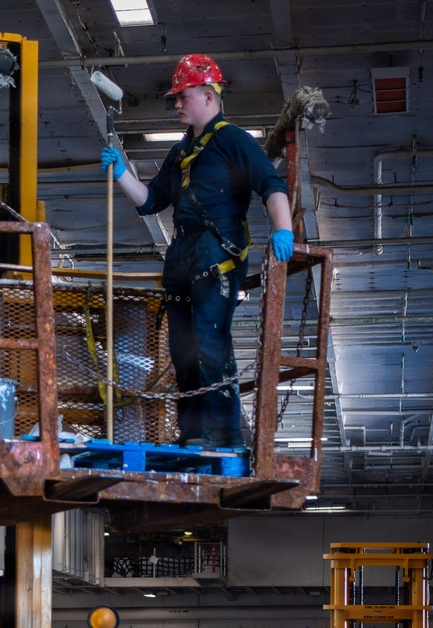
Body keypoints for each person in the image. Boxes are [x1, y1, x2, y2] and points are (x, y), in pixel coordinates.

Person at [101, 53, 293, 450]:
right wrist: (121, 172)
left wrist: (283, 229)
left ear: (207, 95)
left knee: (210, 343)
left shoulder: (233, 140)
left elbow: (271, 185)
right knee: (182, 350)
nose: (176, 104)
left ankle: (224, 434)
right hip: (183, 255)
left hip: (215, 255)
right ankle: (193, 433)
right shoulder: (181, 152)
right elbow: (152, 200)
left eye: (181, 96)